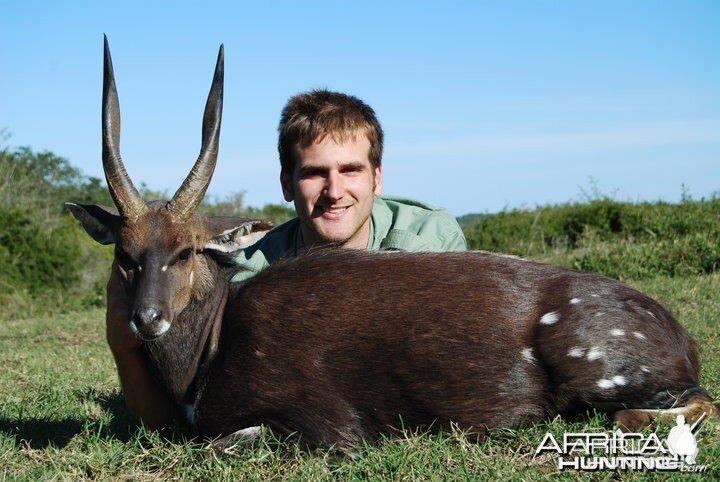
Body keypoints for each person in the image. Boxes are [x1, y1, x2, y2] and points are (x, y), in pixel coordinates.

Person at [106, 89, 467, 428]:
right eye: (314, 173)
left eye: (350, 170)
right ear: (287, 184)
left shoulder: (430, 239)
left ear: (377, 178)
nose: (334, 191)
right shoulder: (255, 273)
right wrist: (122, 347)